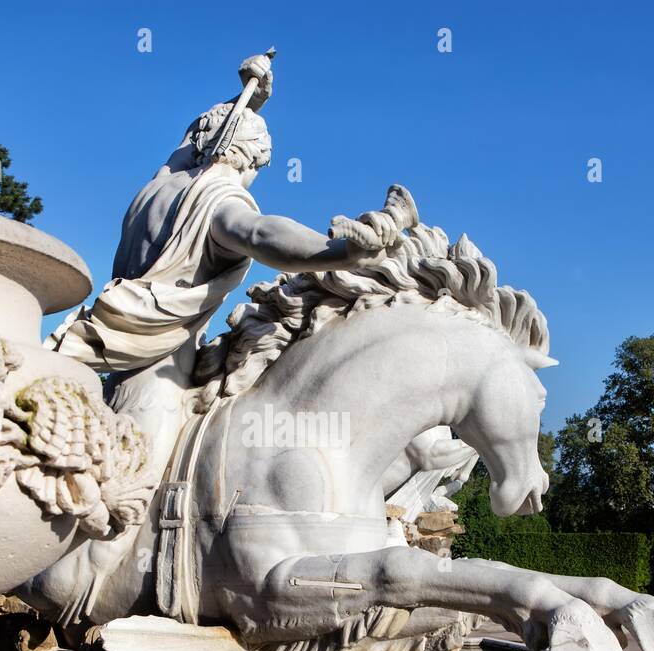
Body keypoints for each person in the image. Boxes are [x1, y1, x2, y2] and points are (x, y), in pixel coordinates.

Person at [48, 52, 399, 482]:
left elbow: (190, 143)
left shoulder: (159, 184)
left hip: (116, 366)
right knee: (124, 508)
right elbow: (260, 234)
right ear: (251, 161)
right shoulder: (217, 203)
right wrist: (338, 254)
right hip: (158, 383)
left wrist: (247, 102)